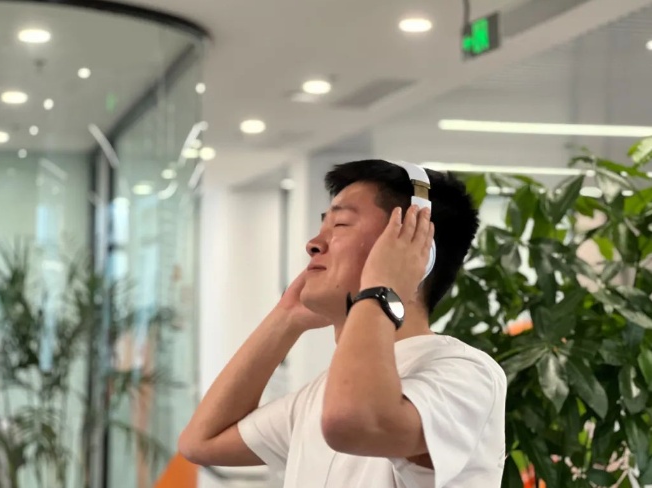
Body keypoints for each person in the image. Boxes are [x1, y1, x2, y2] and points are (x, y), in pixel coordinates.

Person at [179, 159, 507, 487]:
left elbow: (352, 424)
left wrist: (382, 289)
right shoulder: (318, 395)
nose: (313, 244)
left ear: (418, 253)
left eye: (340, 224)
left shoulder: (464, 373)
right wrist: (286, 317)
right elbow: (202, 442)